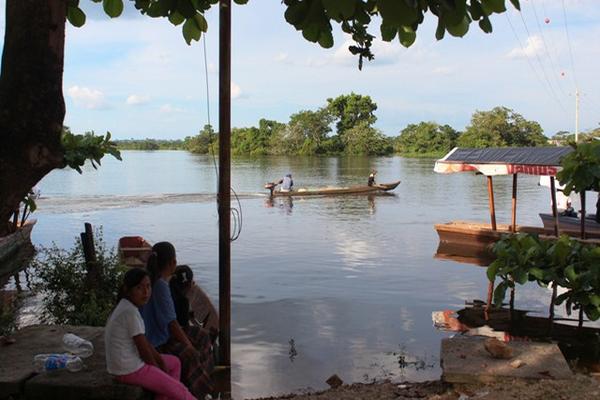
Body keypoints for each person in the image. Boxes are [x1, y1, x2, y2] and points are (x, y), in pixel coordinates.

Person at [105, 268, 196, 400]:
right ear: (127, 290)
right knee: (179, 389)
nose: (146, 292)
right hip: (129, 369)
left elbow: (146, 342)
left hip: (123, 366)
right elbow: (144, 351)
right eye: (139, 288)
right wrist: (159, 372)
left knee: (175, 363)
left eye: (148, 286)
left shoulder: (126, 306)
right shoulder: (129, 312)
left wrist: (160, 360)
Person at [141, 242, 214, 399]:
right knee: (193, 352)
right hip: (158, 343)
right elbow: (172, 324)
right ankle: (197, 389)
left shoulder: (152, 280)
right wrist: (188, 346)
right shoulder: (160, 285)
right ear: (172, 262)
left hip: (158, 335)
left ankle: (199, 381)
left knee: (201, 335)